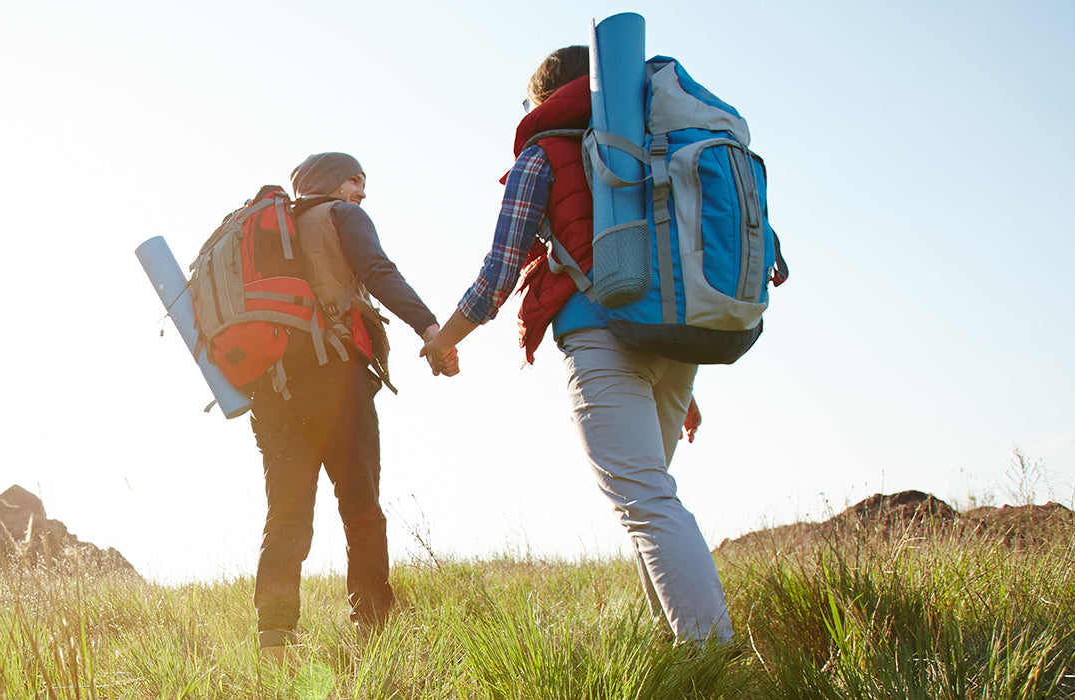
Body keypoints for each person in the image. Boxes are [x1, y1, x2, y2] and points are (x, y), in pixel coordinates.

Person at [417, 46, 734, 642]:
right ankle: (679, 650)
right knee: (650, 503)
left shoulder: (544, 154)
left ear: (543, 99)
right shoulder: (650, 147)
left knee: (646, 502)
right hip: (675, 341)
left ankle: (715, 655)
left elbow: (498, 273)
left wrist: (443, 340)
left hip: (603, 338)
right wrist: (678, 376)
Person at [251, 152, 445, 659]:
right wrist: (430, 328)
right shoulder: (340, 216)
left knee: (287, 515)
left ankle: (275, 640)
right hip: (334, 378)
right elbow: (378, 270)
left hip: (272, 390)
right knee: (361, 508)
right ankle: (374, 632)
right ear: (331, 184)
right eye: (356, 180)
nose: (362, 192)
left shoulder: (271, 231)